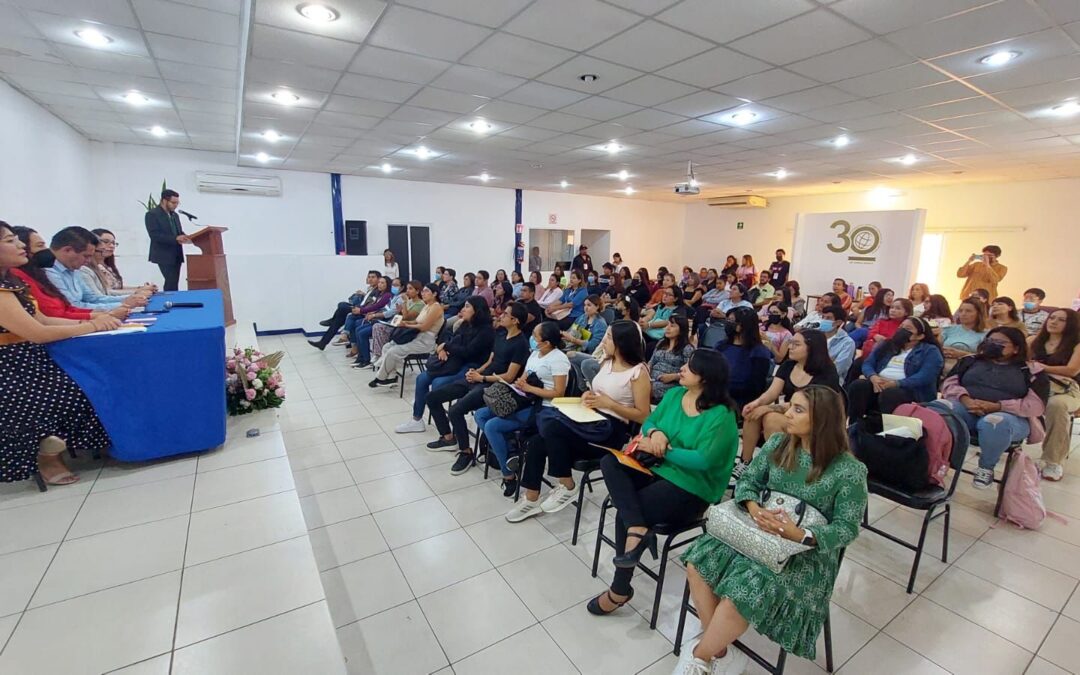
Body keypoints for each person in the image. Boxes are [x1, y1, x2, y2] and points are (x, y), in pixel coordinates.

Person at [679, 386, 868, 675]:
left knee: (742, 591)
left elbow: (847, 528)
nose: (786, 413)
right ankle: (717, 649)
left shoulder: (848, 471)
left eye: (798, 409)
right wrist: (755, 509)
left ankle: (699, 657)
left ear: (823, 420)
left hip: (806, 552)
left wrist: (800, 535)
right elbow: (747, 483)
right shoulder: (778, 443)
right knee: (698, 562)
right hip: (759, 531)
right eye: (789, 405)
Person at [588, 350, 740, 617]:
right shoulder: (674, 395)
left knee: (628, 511)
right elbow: (650, 421)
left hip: (691, 487)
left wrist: (663, 450)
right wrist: (655, 433)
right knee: (610, 463)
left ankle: (619, 590)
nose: (681, 369)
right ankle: (637, 529)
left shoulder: (721, 416)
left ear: (706, 378)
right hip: (657, 469)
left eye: (689, 367)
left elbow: (703, 461)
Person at [0, 221, 120, 486]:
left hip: (33, 359)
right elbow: (37, 333)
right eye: (10, 241)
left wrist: (88, 324)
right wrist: (91, 325)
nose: (21, 245)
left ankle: (70, 445)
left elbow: (43, 319)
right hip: (11, 370)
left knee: (91, 381)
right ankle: (46, 455)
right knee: (79, 388)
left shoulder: (12, 282)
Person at [506, 320, 651, 522]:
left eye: (609, 337)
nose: (604, 341)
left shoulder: (638, 372)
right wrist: (588, 396)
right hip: (591, 419)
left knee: (552, 426)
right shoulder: (607, 362)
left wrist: (609, 404)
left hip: (610, 431)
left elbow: (643, 415)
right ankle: (531, 498)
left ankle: (567, 485)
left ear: (622, 342)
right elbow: (598, 391)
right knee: (537, 441)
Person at [427, 303, 531, 486]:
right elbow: (491, 360)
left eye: (505, 314)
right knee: (433, 397)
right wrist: (476, 372)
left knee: (455, 411)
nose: (501, 316)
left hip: (494, 386)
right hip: (480, 377)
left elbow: (509, 376)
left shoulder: (520, 344)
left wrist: (482, 378)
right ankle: (448, 437)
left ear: (515, 321)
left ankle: (466, 452)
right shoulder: (500, 334)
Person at [934, 327, 1048, 488]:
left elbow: (1035, 406)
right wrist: (966, 400)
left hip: (1010, 418)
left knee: (994, 421)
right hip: (969, 409)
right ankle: (937, 460)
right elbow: (949, 384)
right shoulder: (970, 361)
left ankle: (986, 467)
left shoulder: (1031, 371)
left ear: (1016, 348)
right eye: (990, 341)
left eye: (1000, 343)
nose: (993, 345)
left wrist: (997, 406)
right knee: (940, 407)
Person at [473, 322, 569, 497]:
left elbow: (559, 393)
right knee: (480, 414)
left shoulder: (558, 359)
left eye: (535, 336)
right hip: (525, 400)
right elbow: (524, 377)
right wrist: (519, 384)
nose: (531, 338)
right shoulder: (535, 354)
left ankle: (508, 475)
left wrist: (529, 388)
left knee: (492, 426)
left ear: (546, 342)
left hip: (544, 408)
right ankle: (511, 452)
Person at [738, 330, 841, 472]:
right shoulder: (788, 366)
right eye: (791, 343)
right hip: (791, 411)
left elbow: (811, 405)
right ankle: (745, 462)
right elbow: (772, 392)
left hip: (811, 417)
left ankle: (775, 467)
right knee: (753, 413)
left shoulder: (826, 372)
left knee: (771, 418)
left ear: (812, 348)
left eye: (796, 344)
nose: (790, 347)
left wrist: (769, 408)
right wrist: (757, 403)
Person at [395, 296, 494, 433]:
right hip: (454, 360)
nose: (463, 310)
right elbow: (450, 337)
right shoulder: (465, 323)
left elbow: (468, 352)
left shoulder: (486, 331)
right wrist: (443, 348)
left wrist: (445, 347)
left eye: (467, 306)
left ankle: (445, 430)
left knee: (438, 383)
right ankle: (417, 419)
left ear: (476, 311)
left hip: (471, 365)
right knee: (422, 378)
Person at [10, 228, 127, 322]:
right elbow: (48, 320)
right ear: (67, 250)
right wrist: (99, 319)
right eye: (40, 246)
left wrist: (103, 315)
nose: (48, 250)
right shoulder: (44, 273)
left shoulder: (35, 276)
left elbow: (68, 307)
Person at [848, 317, 944, 424]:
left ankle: (886, 430)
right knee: (858, 386)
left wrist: (896, 383)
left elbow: (925, 376)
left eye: (907, 329)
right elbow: (868, 363)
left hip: (909, 389)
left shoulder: (930, 351)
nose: (901, 330)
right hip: (879, 383)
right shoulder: (888, 344)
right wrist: (873, 377)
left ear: (920, 336)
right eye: (901, 327)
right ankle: (855, 425)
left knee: (891, 394)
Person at [1029, 309, 1080, 481]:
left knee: (1057, 406)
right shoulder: (1034, 340)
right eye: (1052, 318)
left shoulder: (1076, 345)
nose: (1054, 322)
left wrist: (1039, 366)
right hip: (1036, 386)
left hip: (1066, 389)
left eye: (1061, 320)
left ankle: (1053, 461)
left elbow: (1072, 370)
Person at [45, 227, 145, 311]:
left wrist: (130, 299)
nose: (88, 261)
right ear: (67, 250)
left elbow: (93, 298)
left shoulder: (74, 270)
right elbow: (73, 306)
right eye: (86, 256)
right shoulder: (49, 272)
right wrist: (123, 305)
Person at [369, 283, 444, 388]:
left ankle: (380, 378)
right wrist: (404, 323)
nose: (423, 293)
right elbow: (417, 321)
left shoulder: (436, 308)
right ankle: (391, 376)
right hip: (417, 336)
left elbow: (424, 327)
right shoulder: (427, 306)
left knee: (393, 351)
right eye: (423, 291)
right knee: (387, 346)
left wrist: (407, 325)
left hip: (425, 341)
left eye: (426, 291)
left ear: (435, 293)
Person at [312, 275, 392, 351]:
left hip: (364, 311)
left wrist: (360, 310)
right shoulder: (369, 289)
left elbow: (374, 305)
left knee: (343, 307)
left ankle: (339, 331)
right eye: (369, 277)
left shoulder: (379, 292)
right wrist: (362, 295)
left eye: (373, 277)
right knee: (339, 319)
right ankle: (324, 342)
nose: (370, 279)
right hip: (360, 307)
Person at [360, 280, 425, 367]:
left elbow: (406, 317)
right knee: (376, 326)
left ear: (417, 291)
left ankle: (381, 355)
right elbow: (401, 315)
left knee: (379, 328)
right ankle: (379, 354)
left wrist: (405, 302)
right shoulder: (409, 301)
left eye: (410, 289)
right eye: (407, 289)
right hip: (400, 325)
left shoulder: (419, 304)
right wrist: (399, 311)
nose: (408, 291)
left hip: (409, 330)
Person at [718, 306, 773, 408]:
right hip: (715, 395)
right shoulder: (721, 346)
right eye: (727, 320)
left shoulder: (759, 352)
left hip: (740, 402)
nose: (727, 323)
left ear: (741, 326)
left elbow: (756, 388)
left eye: (731, 321)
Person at [347, 277, 403, 360]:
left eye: (396, 285)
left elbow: (390, 312)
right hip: (384, 321)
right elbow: (383, 308)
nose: (379, 284)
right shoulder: (391, 296)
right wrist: (374, 313)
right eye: (393, 285)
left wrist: (374, 315)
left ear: (402, 287)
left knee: (361, 330)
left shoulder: (397, 297)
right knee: (357, 327)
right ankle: (361, 358)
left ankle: (368, 359)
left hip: (390, 324)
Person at [144, 189, 189, 291]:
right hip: (163, 254)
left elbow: (178, 232)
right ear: (164, 201)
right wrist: (175, 238)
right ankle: (169, 301)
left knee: (174, 282)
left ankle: (173, 299)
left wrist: (185, 237)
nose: (176, 205)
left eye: (177, 203)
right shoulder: (152, 214)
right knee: (170, 281)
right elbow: (155, 235)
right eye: (173, 203)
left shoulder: (175, 215)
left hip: (176, 253)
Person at [564, 295, 608, 387]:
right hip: (576, 348)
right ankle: (578, 385)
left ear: (597, 307)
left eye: (589, 305)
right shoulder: (582, 317)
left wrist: (573, 340)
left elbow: (593, 346)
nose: (585, 308)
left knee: (570, 355)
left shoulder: (600, 323)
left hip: (592, 354)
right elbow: (571, 330)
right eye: (584, 305)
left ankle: (581, 386)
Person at [648, 314, 694, 403]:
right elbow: (651, 361)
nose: (667, 328)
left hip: (671, 383)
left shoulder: (687, 348)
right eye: (667, 325)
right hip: (652, 379)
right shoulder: (661, 342)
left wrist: (674, 376)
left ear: (681, 330)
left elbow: (691, 372)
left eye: (672, 326)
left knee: (651, 388)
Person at [939, 297, 988, 371]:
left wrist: (963, 355)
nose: (963, 314)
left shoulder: (986, 334)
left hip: (970, 369)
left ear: (978, 313)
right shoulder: (948, 329)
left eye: (968, 311)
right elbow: (936, 349)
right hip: (943, 367)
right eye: (960, 311)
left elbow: (985, 358)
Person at [819, 305, 855, 379]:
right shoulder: (814, 336)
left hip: (830, 380)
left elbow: (839, 368)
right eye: (823, 317)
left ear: (838, 322)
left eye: (828, 318)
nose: (824, 320)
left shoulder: (847, 343)